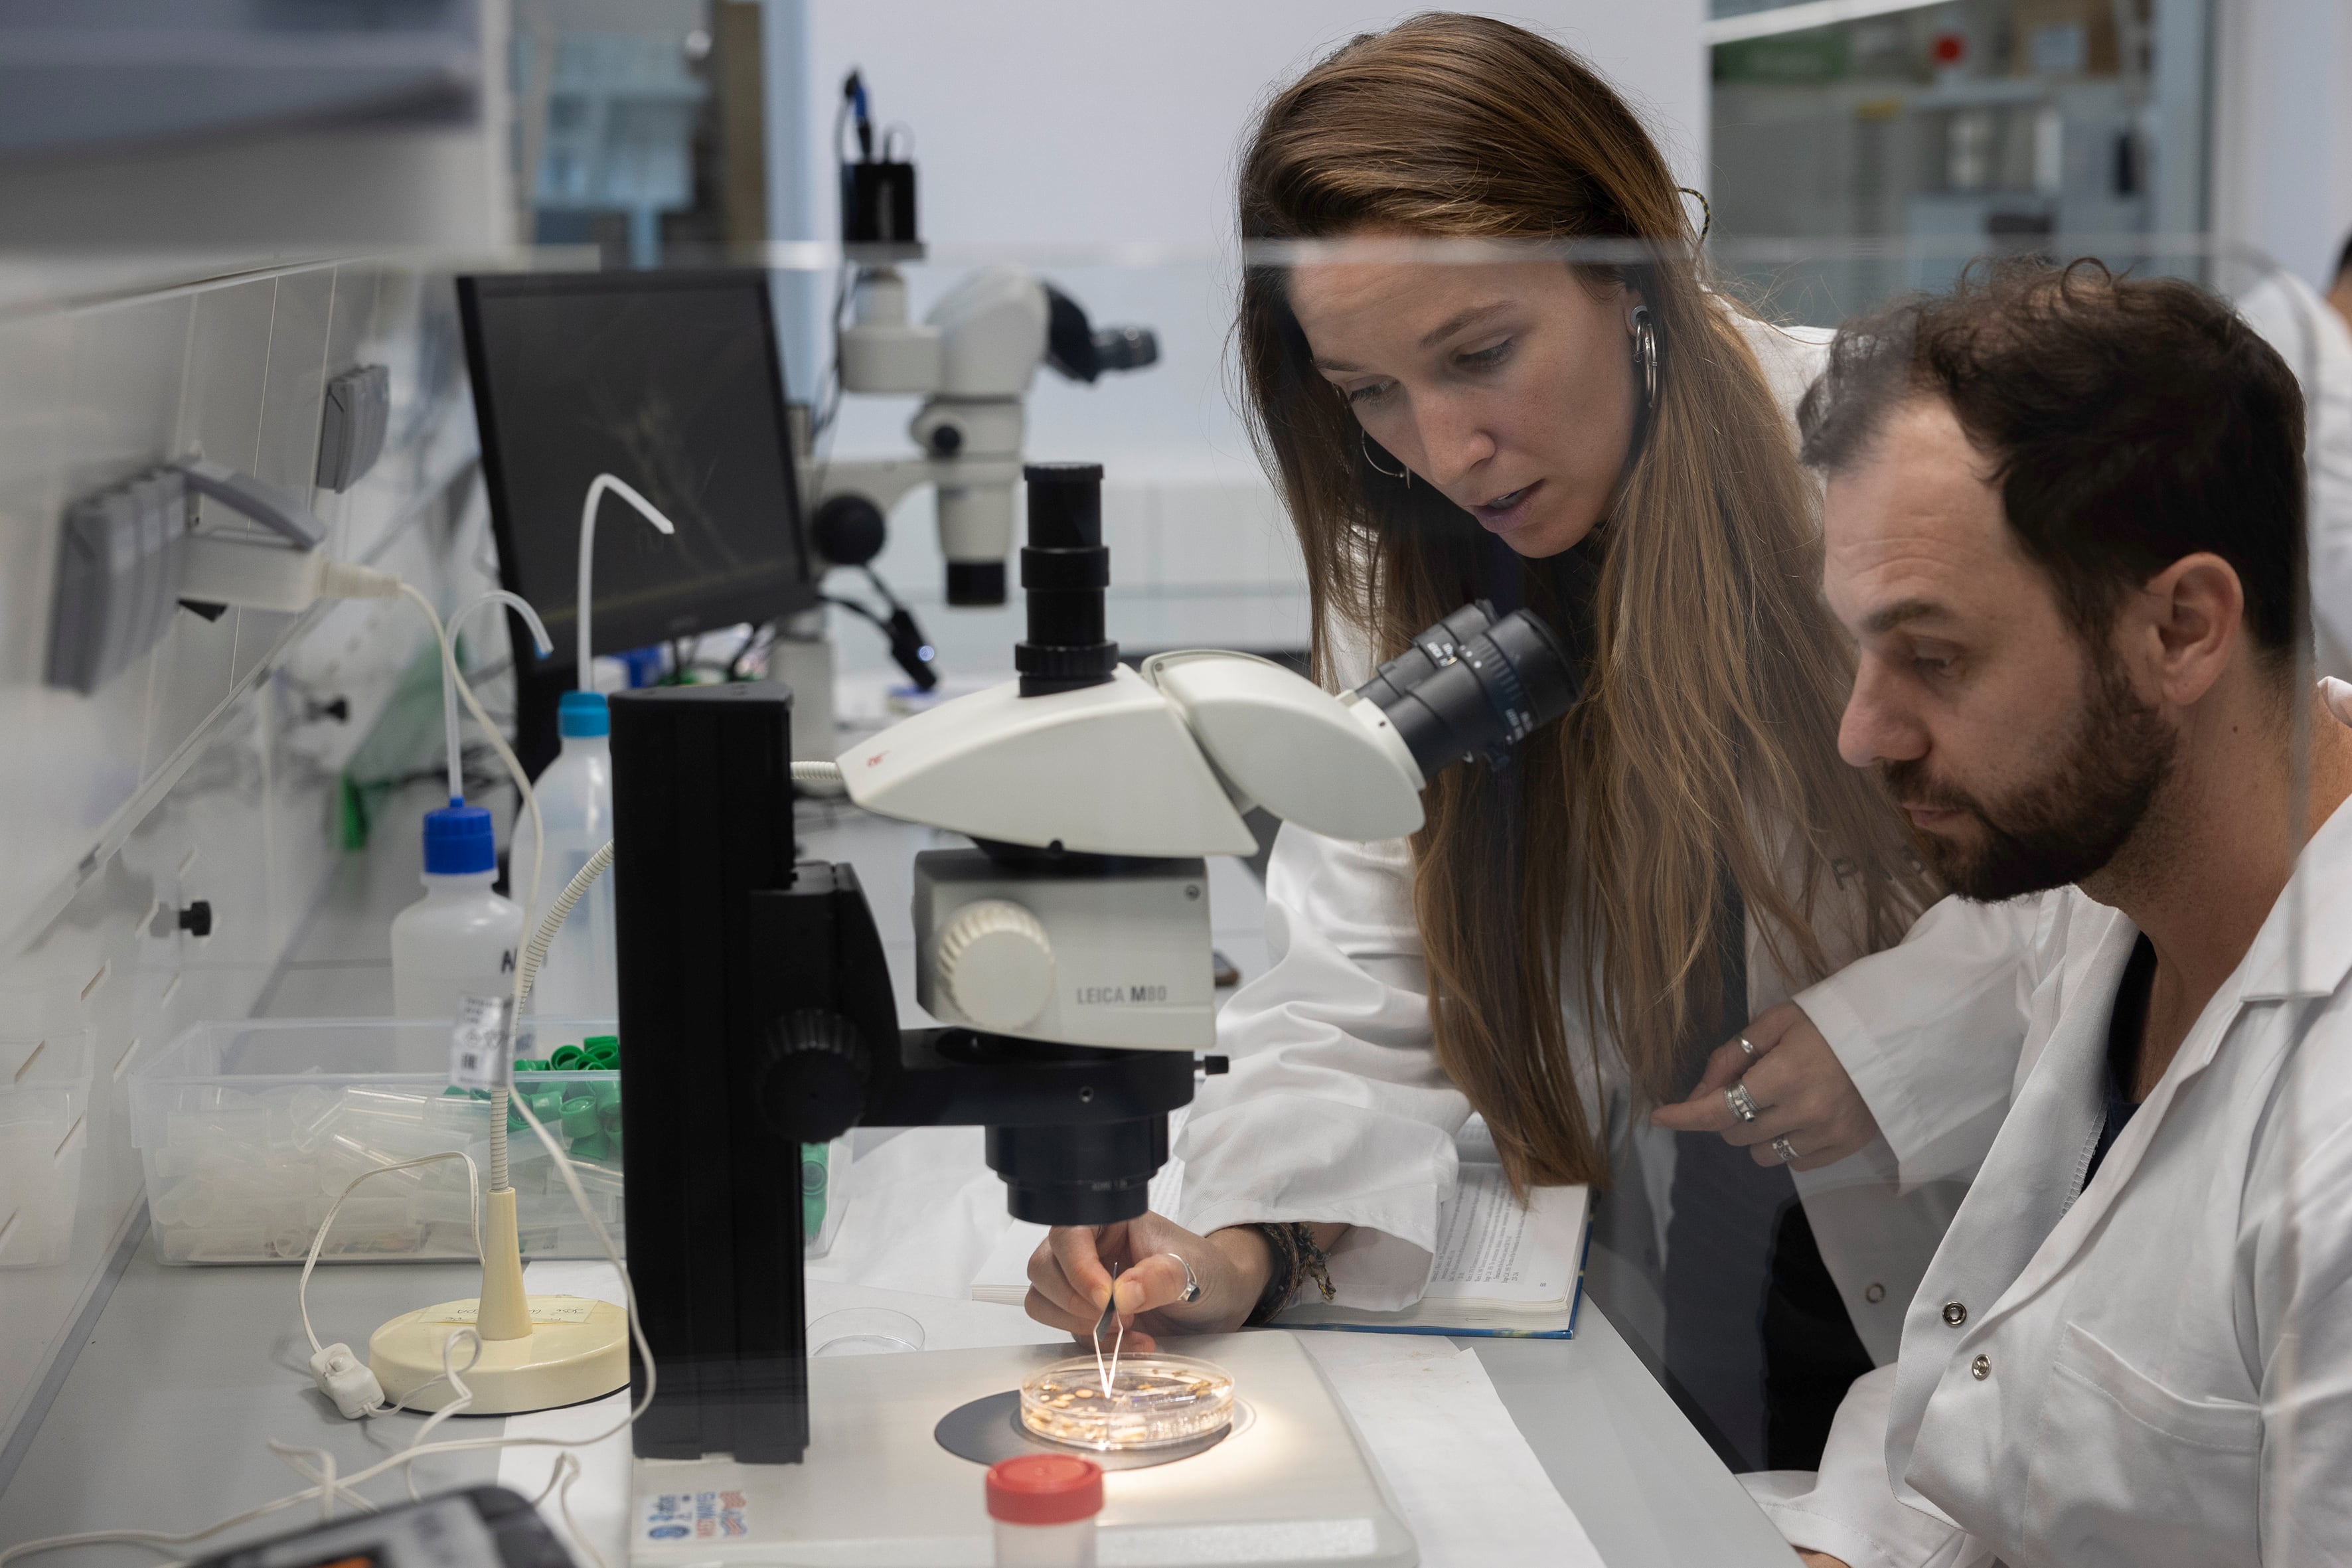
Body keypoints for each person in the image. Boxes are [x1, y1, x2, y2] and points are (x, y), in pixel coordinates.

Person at [1019, 13, 2032, 1471]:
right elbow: (1358, 974)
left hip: (1945, 1275)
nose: (1439, 449)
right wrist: (1238, 1242)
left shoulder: (1886, 473)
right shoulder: (1419, 568)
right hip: (1641, 1324)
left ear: (1626, 276)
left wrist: (1896, 1034)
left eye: (1477, 353)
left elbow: (2144, 860)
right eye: (1369, 392)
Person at [1743, 260, 2352, 1566]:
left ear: (2180, 627)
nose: (1860, 732)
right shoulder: (2105, 894)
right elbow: (1986, 1379)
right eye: (1858, 647)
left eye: (1935, 656)